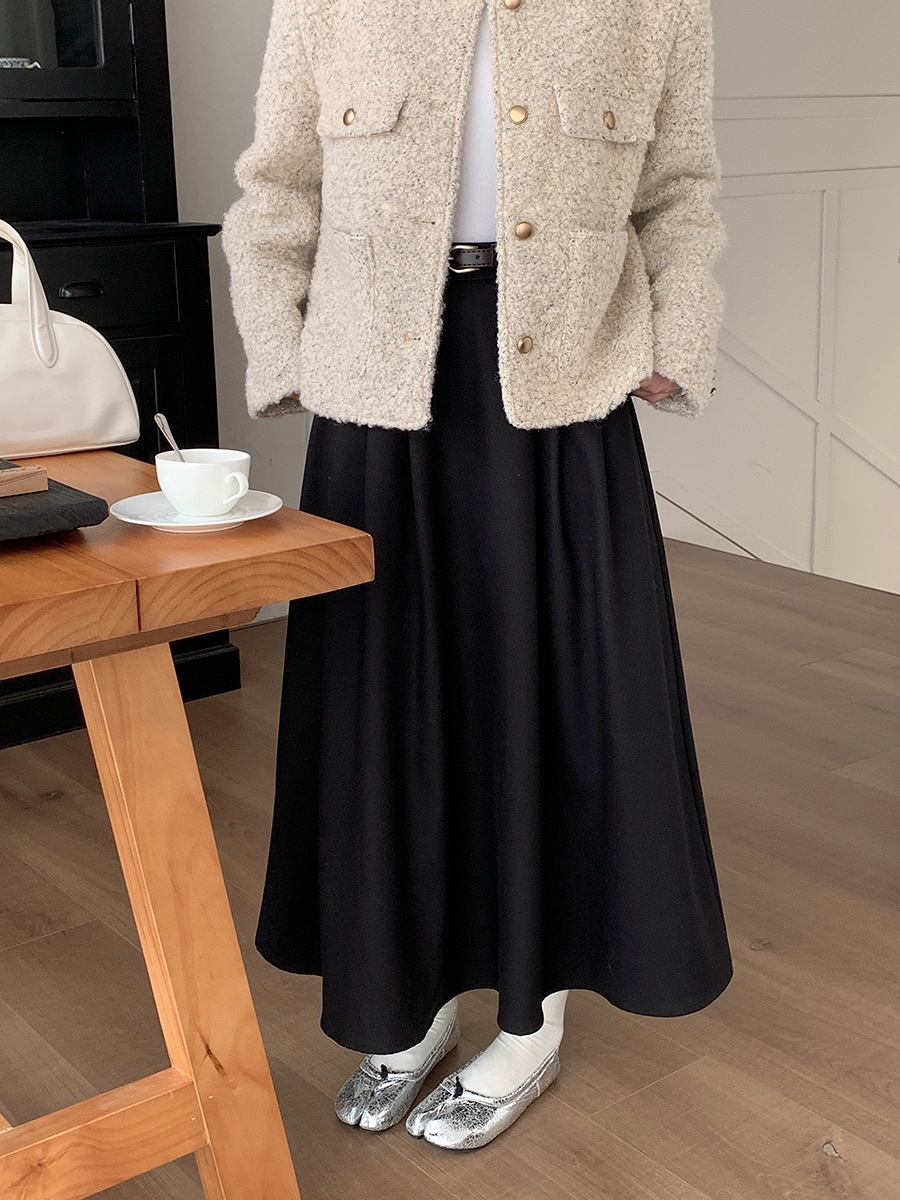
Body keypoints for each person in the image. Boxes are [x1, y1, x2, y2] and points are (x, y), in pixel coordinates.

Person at [222, 0, 733, 1152]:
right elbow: (279, 184)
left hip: (565, 393)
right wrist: (283, 346)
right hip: (375, 385)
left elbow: (680, 188)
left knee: (552, 702)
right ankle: (404, 1003)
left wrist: (676, 338)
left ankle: (531, 1020)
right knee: (385, 706)